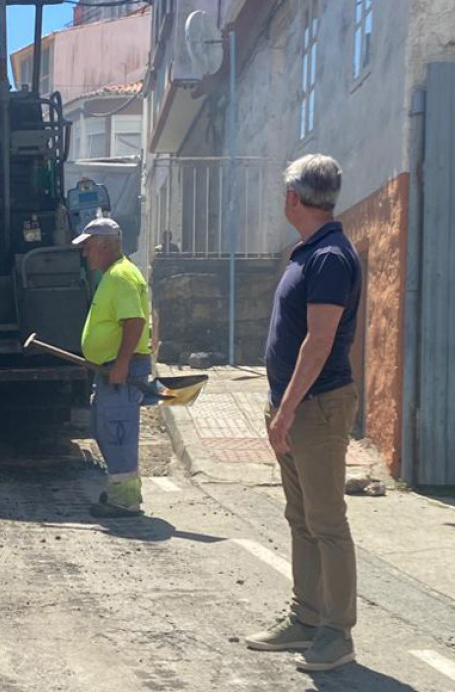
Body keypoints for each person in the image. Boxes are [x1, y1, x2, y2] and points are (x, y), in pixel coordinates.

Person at [244, 154, 362, 673]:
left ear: (294, 197)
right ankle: (306, 618)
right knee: (301, 518)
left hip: (316, 407)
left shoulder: (330, 257)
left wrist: (286, 411)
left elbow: (319, 343)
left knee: (327, 522)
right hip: (297, 407)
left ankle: (336, 632)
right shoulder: (309, 250)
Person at [73, 217, 153, 518]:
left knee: (118, 432)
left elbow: (134, 322)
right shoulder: (115, 274)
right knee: (104, 428)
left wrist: (120, 364)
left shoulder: (120, 276)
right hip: (113, 369)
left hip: (122, 370)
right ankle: (122, 491)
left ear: (105, 246)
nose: (85, 254)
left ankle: (126, 500)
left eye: (89, 247)